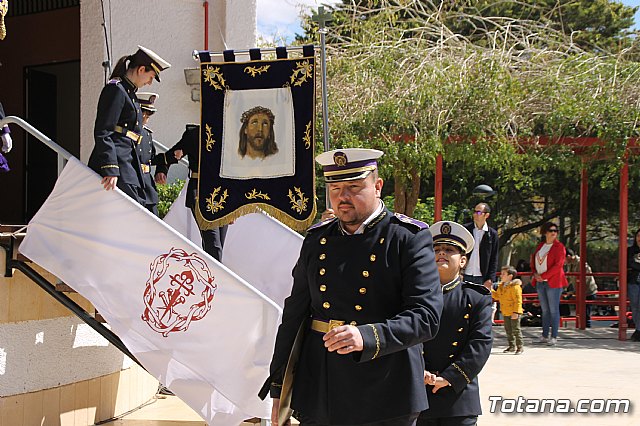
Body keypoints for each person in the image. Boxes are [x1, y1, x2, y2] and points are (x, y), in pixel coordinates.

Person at [259, 148, 443, 426]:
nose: (343, 197)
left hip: (386, 387)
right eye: (335, 188)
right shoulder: (317, 239)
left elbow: (426, 317)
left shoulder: (407, 238)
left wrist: (368, 336)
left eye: (354, 187)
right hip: (322, 385)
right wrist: (279, 388)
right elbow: (294, 315)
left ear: (378, 186)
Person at [417, 221, 493, 426]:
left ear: (463, 261)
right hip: (418, 390)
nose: (441, 253)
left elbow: (480, 344)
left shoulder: (476, 297)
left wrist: (450, 377)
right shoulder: (412, 296)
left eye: (449, 250)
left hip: (459, 394)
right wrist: (417, 370)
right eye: (436, 249)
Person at [88, 45, 170, 205]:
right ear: (141, 70)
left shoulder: (128, 93)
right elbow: (103, 131)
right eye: (151, 77)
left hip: (128, 159)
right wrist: (110, 167)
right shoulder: (116, 90)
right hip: (118, 160)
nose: (149, 83)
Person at [154, 124, 228, 261]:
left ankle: (210, 277)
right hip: (200, 192)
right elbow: (172, 155)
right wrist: (162, 169)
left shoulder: (231, 135)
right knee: (214, 244)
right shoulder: (195, 134)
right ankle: (215, 279)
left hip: (223, 194)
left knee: (218, 244)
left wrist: (234, 205)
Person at [530, 222, 568, 346]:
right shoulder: (541, 246)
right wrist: (535, 273)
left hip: (553, 282)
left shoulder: (559, 247)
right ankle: (544, 335)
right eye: (551, 230)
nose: (553, 233)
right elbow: (533, 261)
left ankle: (554, 336)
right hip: (540, 282)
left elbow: (558, 265)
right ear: (545, 232)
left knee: (553, 310)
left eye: (556, 231)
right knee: (544, 310)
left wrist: (544, 276)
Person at [463, 203, 499, 290]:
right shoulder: (466, 229)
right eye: (474, 212)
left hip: (482, 277)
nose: (475, 214)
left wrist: (491, 278)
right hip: (465, 275)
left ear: (487, 215)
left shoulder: (492, 234)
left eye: (478, 212)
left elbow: (494, 257)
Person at [136, 92, 160, 215]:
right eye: (144, 113)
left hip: (147, 184)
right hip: (135, 183)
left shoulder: (147, 134)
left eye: (148, 114)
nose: (146, 117)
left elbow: (153, 158)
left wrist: (163, 166)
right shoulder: (129, 134)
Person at [492, 265, 524, 354]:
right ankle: (511, 346)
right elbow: (498, 296)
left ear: (510, 276)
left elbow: (518, 300)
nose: (501, 276)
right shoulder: (501, 286)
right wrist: (491, 291)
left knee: (516, 329)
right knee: (508, 329)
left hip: (514, 312)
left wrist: (516, 312)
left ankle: (520, 346)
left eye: (503, 274)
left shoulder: (515, 287)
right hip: (505, 311)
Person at [564, 248, 598, 328]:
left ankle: (587, 331)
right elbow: (568, 278)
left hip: (588, 291)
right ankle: (583, 328)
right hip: (579, 291)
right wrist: (563, 288)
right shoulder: (570, 264)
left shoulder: (581, 263)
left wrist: (575, 292)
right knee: (581, 314)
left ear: (568, 256)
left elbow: (586, 279)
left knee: (585, 315)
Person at [627, 228, 640, 341]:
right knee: (635, 306)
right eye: (638, 236)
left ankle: (639, 330)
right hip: (633, 281)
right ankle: (638, 328)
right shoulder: (630, 251)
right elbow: (629, 263)